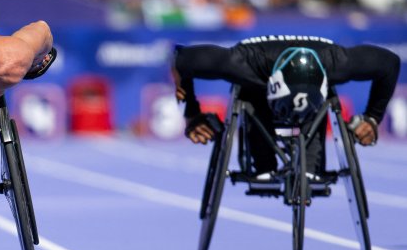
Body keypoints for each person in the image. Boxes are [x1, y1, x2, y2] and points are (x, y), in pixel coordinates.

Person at [171, 35, 401, 177]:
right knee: (251, 95)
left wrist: (372, 118)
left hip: (316, 81)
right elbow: (180, 59)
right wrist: (192, 112)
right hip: (259, 79)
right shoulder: (239, 62)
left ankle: (311, 169)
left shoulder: (337, 62)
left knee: (321, 109)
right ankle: (263, 163)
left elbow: (390, 63)